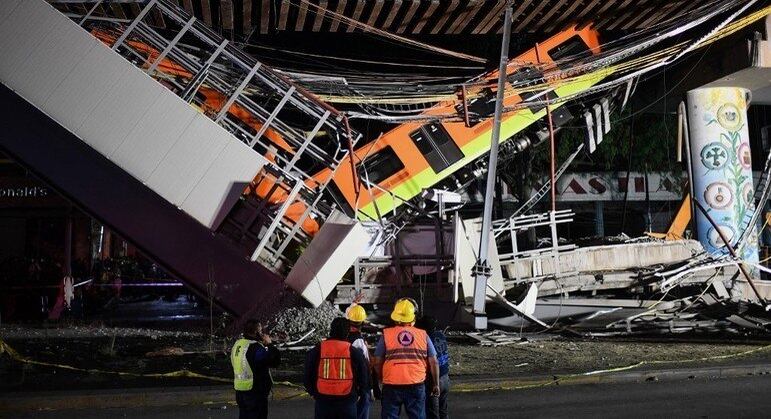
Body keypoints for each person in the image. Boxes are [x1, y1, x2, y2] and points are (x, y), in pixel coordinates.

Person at [373, 298, 440, 419]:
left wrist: (381, 379)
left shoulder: (386, 334)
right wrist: (436, 384)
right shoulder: (423, 335)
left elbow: (377, 362)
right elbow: (434, 361)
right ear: (413, 317)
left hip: (391, 384)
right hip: (416, 383)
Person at [305, 317, 371, 419]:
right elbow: (363, 374)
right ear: (347, 332)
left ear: (331, 330)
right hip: (347, 399)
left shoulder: (319, 348)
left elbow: (308, 370)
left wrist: (312, 392)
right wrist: (360, 393)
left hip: (323, 399)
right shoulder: (353, 351)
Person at [231, 320, 281, 419]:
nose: (262, 333)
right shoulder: (255, 348)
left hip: (240, 390)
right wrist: (269, 344)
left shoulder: (238, 344)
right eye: (261, 331)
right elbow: (275, 361)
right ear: (256, 332)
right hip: (255, 392)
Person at [416, 316, 450, 419]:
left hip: (434, 379)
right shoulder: (441, 335)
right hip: (445, 377)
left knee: (432, 413)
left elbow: (433, 362)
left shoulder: (426, 339)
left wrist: (435, 384)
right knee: (443, 410)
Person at [345, 303, 373, 419]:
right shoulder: (358, 341)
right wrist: (369, 387)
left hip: (346, 381)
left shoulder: (343, 336)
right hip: (358, 384)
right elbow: (366, 365)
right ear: (362, 322)